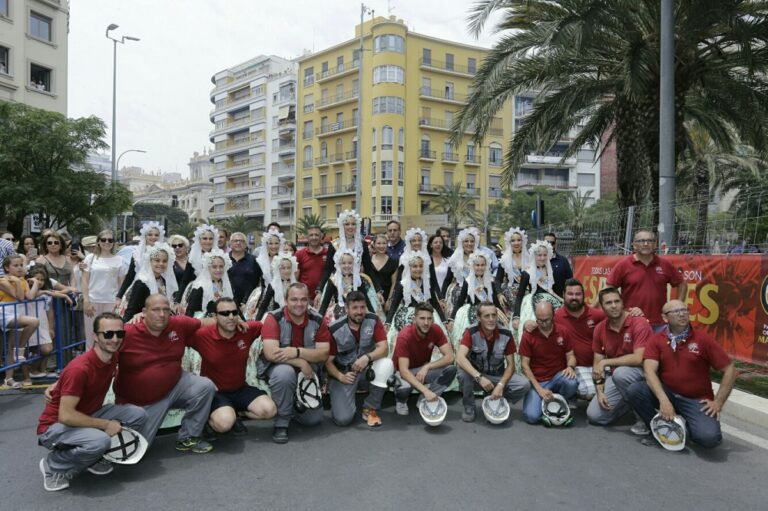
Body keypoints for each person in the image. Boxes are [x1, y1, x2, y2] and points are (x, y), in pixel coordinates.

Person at [37, 313, 147, 492]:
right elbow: (65, 416)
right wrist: (106, 424)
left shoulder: (112, 356)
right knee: (100, 441)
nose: (114, 339)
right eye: (108, 334)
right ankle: (53, 465)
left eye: (119, 334)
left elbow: (152, 320)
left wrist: (140, 314)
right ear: (95, 336)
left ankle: (95, 457)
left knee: (137, 415)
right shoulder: (80, 369)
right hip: (54, 426)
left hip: (88, 413)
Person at [627, 300, 736, 448]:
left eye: (684, 310)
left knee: (709, 439)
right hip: (668, 393)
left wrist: (718, 402)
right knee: (635, 390)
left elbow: (730, 369)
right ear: (665, 318)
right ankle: (658, 429)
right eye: (676, 311)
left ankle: (685, 425)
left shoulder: (702, 339)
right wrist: (664, 400)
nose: (682, 314)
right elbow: (649, 371)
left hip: (696, 400)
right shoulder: (657, 339)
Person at [115, 294, 216, 452]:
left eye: (166, 310)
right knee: (133, 451)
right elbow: (101, 357)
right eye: (156, 310)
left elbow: (208, 322)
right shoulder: (127, 332)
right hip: (142, 403)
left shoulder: (178, 323)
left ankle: (189, 436)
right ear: (144, 312)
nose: (162, 314)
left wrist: (233, 319)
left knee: (205, 386)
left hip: (175, 385)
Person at [186, 297, 276, 438]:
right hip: (215, 393)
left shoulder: (246, 330)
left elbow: (271, 324)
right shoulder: (202, 335)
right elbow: (179, 332)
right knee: (224, 423)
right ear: (215, 316)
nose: (231, 317)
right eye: (225, 313)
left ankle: (235, 413)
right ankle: (209, 419)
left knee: (270, 410)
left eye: (234, 313)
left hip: (240, 389)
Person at [256, 283, 331, 444]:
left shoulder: (318, 319)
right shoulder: (273, 318)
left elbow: (324, 354)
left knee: (312, 420)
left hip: (307, 374)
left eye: (303, 299)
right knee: (285, 373)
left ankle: (290, 404)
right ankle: (282, 421)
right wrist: (301, 362)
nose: (299, 304)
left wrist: (297, 352)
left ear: (308, 300)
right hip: (279, 369)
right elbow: (270, 353)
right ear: (285, 300)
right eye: (294, 299)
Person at [586, 287, 652, 433]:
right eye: (609, 303)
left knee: (621, 373)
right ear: (602, 307)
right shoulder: (599, 329)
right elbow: (597, 364)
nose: (614, 306)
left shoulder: (639, 322)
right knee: (595, 416)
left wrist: (606, 362)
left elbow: (639, 358)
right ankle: (630, 402)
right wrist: (600, 391)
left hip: (645, 374)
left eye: (617, 301)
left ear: (623, 303)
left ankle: (644, 418)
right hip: (618, 378)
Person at [325, 291, 392, 427]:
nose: (359, 312)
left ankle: (370, 407)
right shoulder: (335, 329)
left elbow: (384, 349)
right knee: (343, 419)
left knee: (386, 364)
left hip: (366, 370)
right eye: (355, 308)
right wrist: (340, 376)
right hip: (344, 374)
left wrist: (367, 357)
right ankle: (343, 400)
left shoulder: (373, 320)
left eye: (362, 307)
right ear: (347, 309)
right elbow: (327, 362)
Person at [455, 302, 530, 422]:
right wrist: (479, 377)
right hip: (475, 376)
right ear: (479, 318)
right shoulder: (470, 332)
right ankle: (469, 406)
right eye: (486, 316)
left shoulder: (506, 333)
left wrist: (500, 385)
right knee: (463, 373)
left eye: (494, 315)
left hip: (496, 376)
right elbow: (459, 358)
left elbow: (511, 365)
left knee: (524, 384)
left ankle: (496, 397)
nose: (491, 319)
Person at [606, 229, 685, 331]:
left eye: (650, 241)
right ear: (634, 245)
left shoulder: (664, 264)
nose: (646, 244)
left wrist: (677, 307)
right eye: (641, 241)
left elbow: (682, 284)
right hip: (632, 321)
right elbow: (609, 289)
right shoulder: (624, 264)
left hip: (660, 323)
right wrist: (621, 311)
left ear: (655, 244)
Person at [392, 303, 456, 417]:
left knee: (451, 369)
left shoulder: (435, 329)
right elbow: (404, 371)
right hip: (403, 372)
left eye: (429, 318)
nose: (426, 323)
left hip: (422, 370)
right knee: (404, 387)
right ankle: (401, 401)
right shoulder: (404, 336)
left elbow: (450, 357)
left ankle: (424, 399)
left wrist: (427, 366)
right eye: (422, 318)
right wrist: (426, 390)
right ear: (414, 319)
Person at [519, 301, 578, 425]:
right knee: (531, 417)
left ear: (553, 315)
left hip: (557, 377)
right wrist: (539, 389)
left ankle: (560, 400)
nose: (544, 324)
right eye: (540, 320)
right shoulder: (528, 335)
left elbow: (571, 356)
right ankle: (548, 405)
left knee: (572, 382)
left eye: (547, 320)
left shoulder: (563, 331)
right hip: (537, 381)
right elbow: (524, 365)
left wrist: (570, 367)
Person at [553, 278, 606, 401]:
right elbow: (540, 324)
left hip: (597, 364)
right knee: (591, 392)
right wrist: (528, 324)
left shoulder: (596, 314)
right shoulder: (556, 316)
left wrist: (635, 313)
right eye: (570, 294)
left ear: (583, 295)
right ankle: (571, 394)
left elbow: (617, 317)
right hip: (574, 367)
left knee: (609, 389)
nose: (574, 297)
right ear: (563, 295)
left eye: (578, 294)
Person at [385, 250, 447, 353]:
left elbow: (434, 303)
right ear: (409, 268)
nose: (418, 269)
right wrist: (388, 322)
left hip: (426, 313)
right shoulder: (402, 284)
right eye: (415, 266)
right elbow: (394, 305)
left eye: (420, 266)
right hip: (407, 315)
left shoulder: (427, 283)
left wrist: (443, 320)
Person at [512, 240, 563, 349]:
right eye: (539, 255)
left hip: (551, 302)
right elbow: (520, 295)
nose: (542, 258)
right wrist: (516, 316)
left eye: (545, 255)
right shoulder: (527, 273)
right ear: (534, 256)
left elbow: (555, 291)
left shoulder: (551, 271)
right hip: (531, 303)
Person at [448, 251, 503, 349]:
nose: (480, 268)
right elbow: (460, 302)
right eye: (477, 265)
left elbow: (496, 302)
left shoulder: (490, 281)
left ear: (486, 266)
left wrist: (503, 316)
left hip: (489, 311)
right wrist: (452, 318)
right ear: (472, 266)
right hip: (472, 312)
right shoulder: (468, 281)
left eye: (482, 265)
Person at [81, 230, 126, 349]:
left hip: (112, 302)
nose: (107, 242)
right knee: (91, 335)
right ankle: (90, 359)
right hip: (93, 301)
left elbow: (122, 283)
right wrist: (86, 300)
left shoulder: (120, 260)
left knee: (110, 335)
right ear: (98, 242)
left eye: (110, 240)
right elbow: (84, 280)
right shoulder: (90, 258)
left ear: (114, 243)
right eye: (103, 240)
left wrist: (120, 300)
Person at [1, 255, 40, 388]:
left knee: (10, 347)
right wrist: (18, 282)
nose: (19, 268)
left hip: (16, 312)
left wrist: (35, 283)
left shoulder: (22, 280)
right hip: (4, 313)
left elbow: (30, 296)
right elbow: (19, 297)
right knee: (34, 322)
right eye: (15, 265)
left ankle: (8, 379)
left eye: (21, 265)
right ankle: (20, 351)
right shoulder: (3, 281)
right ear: (7, 268)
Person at [318, 210, 376, 297]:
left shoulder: (362, 244)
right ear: (342, 226)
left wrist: (378, 290)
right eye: (347, 224)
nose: (350, 227)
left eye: (353, 224)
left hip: (358, 285)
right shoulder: (334, 244)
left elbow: (368, 268)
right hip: (338, 287)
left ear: (357, 226)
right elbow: (328, 269)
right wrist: (320, 290)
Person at [120, 243, 178, 323]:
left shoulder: (162, 280)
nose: (161, 263)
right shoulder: (142, 282)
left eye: (164, 261)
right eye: (157, 260)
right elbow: (132, 309)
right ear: (149, 262)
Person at [318, 249, 378, 320]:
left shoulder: (358, 280)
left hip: (357, 314)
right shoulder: (333, 281)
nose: (347, 266)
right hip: (338, 316)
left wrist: (374, 318)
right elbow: (325, 304)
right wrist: (318, 320)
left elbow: (367, 301)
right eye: (343, 263)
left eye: (350, 263)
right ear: (338, 264)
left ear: (354, 264)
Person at [116, 222, 165, 301]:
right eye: (150, 235)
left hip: (159, 289)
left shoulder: (165, 253)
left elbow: (168, 275)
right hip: (139, 289)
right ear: (145, 236)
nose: (153, 237)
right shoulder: (137, 254)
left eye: (156, 235)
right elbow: (130, 277)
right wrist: (119, 296)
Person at [179, 224, 220, 300]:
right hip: (196, 294)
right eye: (205, 238)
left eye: (210, 239)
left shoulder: (219, 256)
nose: (208, 241)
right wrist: (177, 300)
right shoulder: (193, 257)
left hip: (215, 293)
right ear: (199, 240)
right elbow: (185, 280)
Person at [495, 227, 530, 315]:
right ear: (509, 242)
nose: (516, 243)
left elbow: (537, 277)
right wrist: (500, 294)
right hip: (510, 294)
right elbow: (498, 280)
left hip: (527, 292)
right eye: (513, 240)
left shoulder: (530, 258)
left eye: (519, 240)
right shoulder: (504, 259)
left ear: (523, 241)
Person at [253, 254, 297, 320]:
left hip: (294, 316)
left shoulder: (296, 285)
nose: (286, 271)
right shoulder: (273, 285)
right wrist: (257, 321)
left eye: (289, 268)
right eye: (283, 268)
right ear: (278, 269)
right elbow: (264, 306)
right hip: (278, 317)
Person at [228, 231, 263, 310]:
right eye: (235, 241)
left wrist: (248, 301)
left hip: (249, 302)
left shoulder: (255, 260)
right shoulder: (224, 259)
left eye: (241, 241)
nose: (238, 243)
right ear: (230, 243)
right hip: (227, 301)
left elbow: (258, 282)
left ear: (245, 244)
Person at [295, 225, 328, 298]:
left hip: (324, 297)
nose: (314, 237)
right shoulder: (299, 254)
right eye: (311, 235)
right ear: (307, 237)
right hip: (304, 298)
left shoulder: (328, 253)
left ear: (321, 236)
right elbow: (295, 278)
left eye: (316, 235)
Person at [368, 233, 398, 309]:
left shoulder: (393, 262)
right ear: (374, 244)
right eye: (378, 243)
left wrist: (389, 300)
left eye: (384, 243)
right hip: (370, 297)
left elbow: (394, 283)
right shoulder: (368, 260)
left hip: (386, 297)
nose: (381, 246)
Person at [543, 232, 573, 297]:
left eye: (552, 243)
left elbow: (570, 281)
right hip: (541, 299)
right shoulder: (536, 261)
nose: (550, 245)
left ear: (555, 244)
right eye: (547, 243)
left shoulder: (563, 261)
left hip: (559, 299)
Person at [427, 234, 452, 308]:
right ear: (431, 245)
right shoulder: (426, 260)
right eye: (435, 242)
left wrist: (442, 297)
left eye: (440, 242)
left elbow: (449, 280)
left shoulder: (448, 260)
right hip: (430, 295)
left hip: (445, 295)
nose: (438, 244)